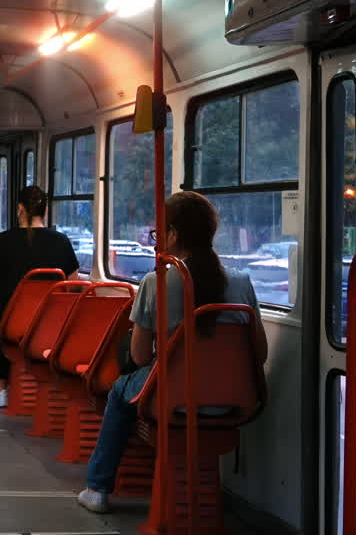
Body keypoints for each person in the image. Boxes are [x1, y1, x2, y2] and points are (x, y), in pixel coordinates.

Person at [76, 191, 268, 514]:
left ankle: (98, 487)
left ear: (174, 235)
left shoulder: (156, 282)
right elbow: (259, 353)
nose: (154, 241)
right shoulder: (241, 282)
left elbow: (138, 357)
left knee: (120, 391)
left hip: (173, 400)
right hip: (234, 402)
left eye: (157, 233)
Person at [0, 185, 81, 407]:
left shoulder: (4, 241)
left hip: (13, 324)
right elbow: (73, 284)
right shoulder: (62, 242)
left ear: (20, 209)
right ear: (45, 211)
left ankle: (1, 388)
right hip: (50, 324)